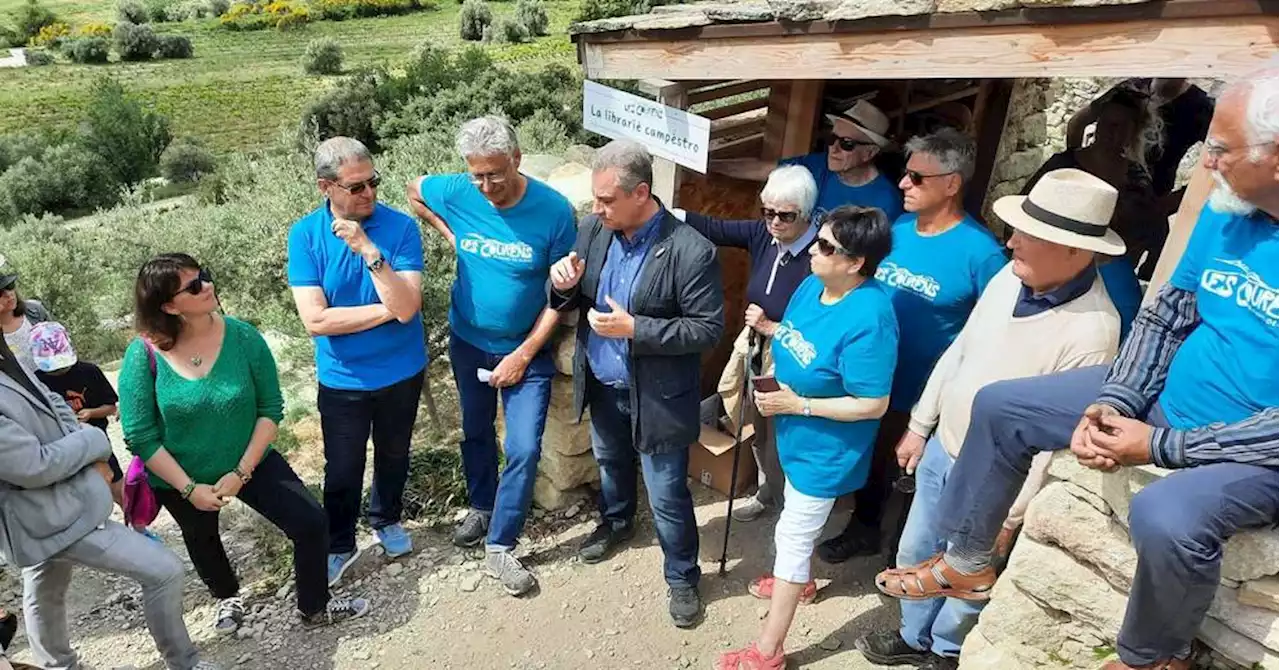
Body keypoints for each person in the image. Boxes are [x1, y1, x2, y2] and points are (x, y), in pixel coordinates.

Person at [871, 71, 1280, 670]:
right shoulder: (1230, 211)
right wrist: (1117, 398)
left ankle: (1152, 657)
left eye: (1220, 149)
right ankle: (967, 560)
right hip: (1170, 399)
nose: (1207, 162)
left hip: (1253, 452)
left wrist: (1164, 444)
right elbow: (1167, 316)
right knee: (1002, 404)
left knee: (1166, 515)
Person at [856, 168, 1124, 670]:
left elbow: (1054, 442)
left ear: (1076, 251)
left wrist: (1013, 516)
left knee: (967, 572)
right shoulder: (1010, 274)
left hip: (997, 483)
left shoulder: (1095, 330)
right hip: (943, 447)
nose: (1013, 239)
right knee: (917, 548)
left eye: (1031, 234)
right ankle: (914, 638)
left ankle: (946, 651)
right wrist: (920, 424)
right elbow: (962, 350)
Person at [120, 254, 370, 636]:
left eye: (204, 276)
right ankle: (227, 596)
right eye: (193, 286)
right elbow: (139, 434)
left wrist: (241, 472)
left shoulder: (242, 337)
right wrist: (188, 488)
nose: (207, 286)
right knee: (202, 538)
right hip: (180, 475)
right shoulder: (144, 353)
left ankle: (315, 606)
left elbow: (270, 408)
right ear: (169, 305)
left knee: (310, 523)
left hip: (248, 460)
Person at [548, 139, 724, 628]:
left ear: (641, 193)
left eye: (606, 200)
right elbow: (567, 298)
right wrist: (561, 284)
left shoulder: (692, 251)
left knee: (667, 494)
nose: (596, 208)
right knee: (609, 463)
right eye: (595, 199)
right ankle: (618, 522)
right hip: (604, 383)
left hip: (659, 396)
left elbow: (707, 329)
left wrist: (637, 329)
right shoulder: (592, 230)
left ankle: (683, 576)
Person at [716, 205, 899, 670]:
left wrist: (799, 405)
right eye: (817, 240)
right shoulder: (812, 285)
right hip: (793, 432)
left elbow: (873, 402)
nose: (812, 250)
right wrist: (772, 343)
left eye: (825, 246)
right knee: (791, 522)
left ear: (856, 262)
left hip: (826, 449)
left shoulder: (871, 317)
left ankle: (769, 652)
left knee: (795, 536)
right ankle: (798, 582)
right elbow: (792, 335)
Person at [818, 128, 1007, 565]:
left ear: (952, 183)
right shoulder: (899, 229)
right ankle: (863, 530)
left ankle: (900, 558)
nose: (903, 184)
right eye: (906, 174)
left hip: (925, 393)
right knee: (873, 462)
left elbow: (993, 330)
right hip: (876, 377)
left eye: (917, 177)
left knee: (911, 474)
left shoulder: (982, 254)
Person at [406, 116, 576, 597]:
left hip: (527, 348)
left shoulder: (553, 211)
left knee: (522, 446)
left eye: (494, 174)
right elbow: (414, 189)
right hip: (467, 340)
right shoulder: (459, 190)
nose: (485, 186)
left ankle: (501, 545)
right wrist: (448, 232)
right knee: (476, 429)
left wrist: (523, 355)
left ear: (516, 159)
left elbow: (562, 299)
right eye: (477, 174)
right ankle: (482, 506)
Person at [0, 320, 218, 670]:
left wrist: (86, 453)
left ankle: (57, 665)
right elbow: (31, 465)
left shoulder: (11, 362)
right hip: (46, 516)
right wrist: (94, 444)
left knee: (44, 591)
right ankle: (186, 663)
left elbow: (57, 407)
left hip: (54, 510)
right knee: (164, 570)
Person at [288, 136, 426, 586]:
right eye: (356, 186)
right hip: (343, 377)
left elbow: (408, 304)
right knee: (342, 466)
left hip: (401, 370)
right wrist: (391, 309)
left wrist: (368, 249)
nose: (368, 193)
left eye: (373, 182)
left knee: (394, 453)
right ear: (325, 187)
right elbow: (315, 319)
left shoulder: (400, 228)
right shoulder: (305, 236)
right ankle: (340, 542)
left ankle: (385, 517)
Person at [670, 165, 820, 522]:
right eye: (768, 212)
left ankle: (791, 509)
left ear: (808, 214)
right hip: (755, 344)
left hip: (789, 355)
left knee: (780, 429)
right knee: (748, 412)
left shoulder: (822, 254)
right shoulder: (764, 234)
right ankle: (766, 491)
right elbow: (713, 227)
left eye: (785, 215)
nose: (774, 222)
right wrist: (656, 209)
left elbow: (821, 326)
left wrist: (772, 327)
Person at [1026, 88, 1154, 335]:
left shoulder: (1137, 180)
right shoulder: (1063, 166)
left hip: (1111, 270)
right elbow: (1029, 204)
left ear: (1132, 132)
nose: (1112, 132)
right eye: (1109, 123)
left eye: (1122, 126)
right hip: (1055, 264)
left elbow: (1151, 227)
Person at [711, 99, 904, 221]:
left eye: (846, 144)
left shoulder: (885, 202)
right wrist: (710, 165)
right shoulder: (817, 166)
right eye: (831, 139)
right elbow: (762, 169)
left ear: (870, 153)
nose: (833, 149)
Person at [1068, 78, 1215, 221]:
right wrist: (1076, 169)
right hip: (1098, 197)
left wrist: (1169, 203)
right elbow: (1077, 123)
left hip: (1144, 214)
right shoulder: (1131, 87)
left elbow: (1223, 162)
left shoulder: (1199, 107)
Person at [29, 321, 125, 509]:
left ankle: (138, 528)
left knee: (118, 487)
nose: (58, 371)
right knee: (87, 500)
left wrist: (91, 413)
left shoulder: (89, 371)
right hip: (64, 450)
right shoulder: (36, 382)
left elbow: (111, 407)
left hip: (98, 444)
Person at [0, 269, 50, 372]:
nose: (9, 294)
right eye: (0, 293)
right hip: (26, 386)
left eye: (10, 286)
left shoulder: (35, 310)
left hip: (56, 378)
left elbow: (61, 344)